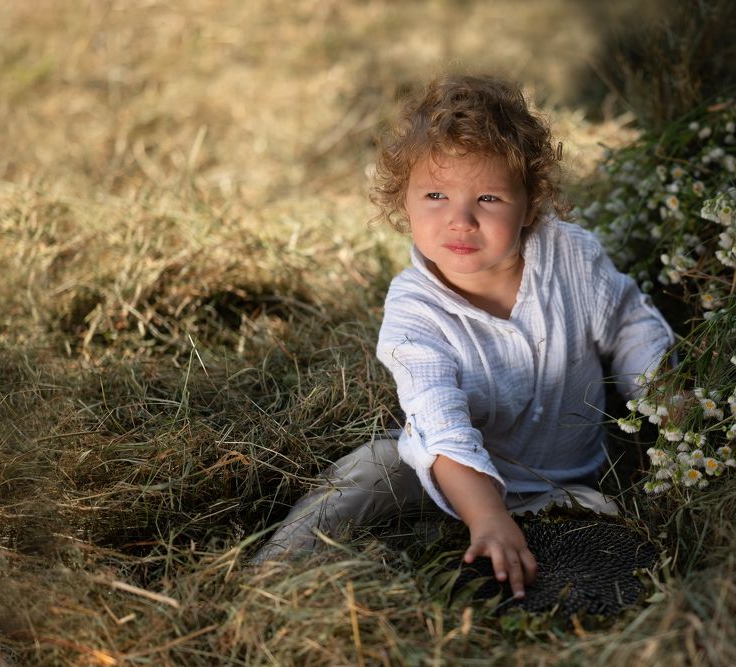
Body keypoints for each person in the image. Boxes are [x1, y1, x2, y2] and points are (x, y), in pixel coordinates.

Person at [251, 74, 675, 599]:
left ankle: (479, 556)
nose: (461, 220)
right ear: (403, 202)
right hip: (447, 474)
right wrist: (486, 514)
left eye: (489, 198)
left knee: (601, 517)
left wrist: (663, 397)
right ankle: (271, 571)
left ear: (531, 203)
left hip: (559, 482)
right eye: (435, 195)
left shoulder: (570, 256)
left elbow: (628, 323)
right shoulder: (414, 310)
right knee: (367, 471)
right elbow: (440, 425)